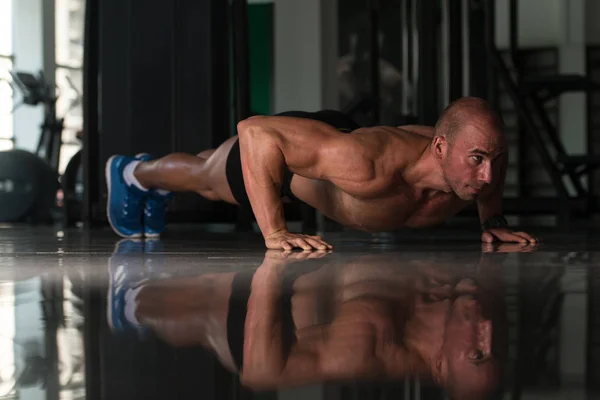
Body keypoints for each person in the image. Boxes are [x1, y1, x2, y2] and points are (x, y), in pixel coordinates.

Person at [105, 96, 537, 250]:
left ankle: (150, 179)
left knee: (212, 163)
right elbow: (254, 133)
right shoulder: (372, 164)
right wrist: (274, 232)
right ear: (441, 148)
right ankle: (133, 174)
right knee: (209, 178)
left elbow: (486, 176)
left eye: (494, 161)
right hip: (310, 159)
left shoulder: (473, 161)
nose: (487, 176)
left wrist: (492, 221)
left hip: (329, 153)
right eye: (478, 160)